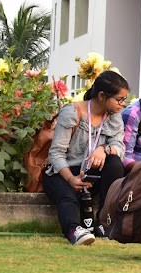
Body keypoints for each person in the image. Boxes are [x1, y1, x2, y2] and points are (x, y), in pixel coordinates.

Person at [43, 70, 129, 245]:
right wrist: (71, 179)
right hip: (63, 171)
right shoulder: (72, 112)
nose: (123, 104)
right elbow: (56, 153)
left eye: (124, 99)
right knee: (68, 196)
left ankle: (105, 222)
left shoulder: (114, 117)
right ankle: (74, 230)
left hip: (91, 172)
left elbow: (120, 148)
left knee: (114, 163)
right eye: (119, 99)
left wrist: (103, 149)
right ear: (102, 96)